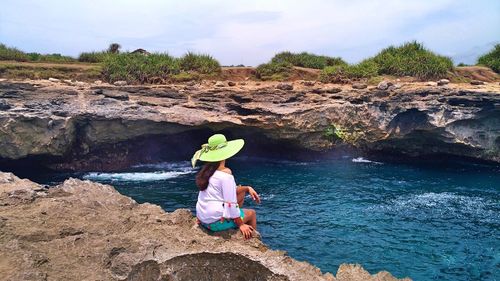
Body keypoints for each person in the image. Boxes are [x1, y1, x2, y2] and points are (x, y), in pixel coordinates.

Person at [191, 134, 261, 239]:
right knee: (252, 213)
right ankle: (253, 240)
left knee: (241, 192)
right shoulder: (226, 174)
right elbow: (230, 203)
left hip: (202, 219)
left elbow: (230, 192)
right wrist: (241, 224)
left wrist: (247, 188)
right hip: (215, 224)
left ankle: (233, 221)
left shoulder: (207, 171)